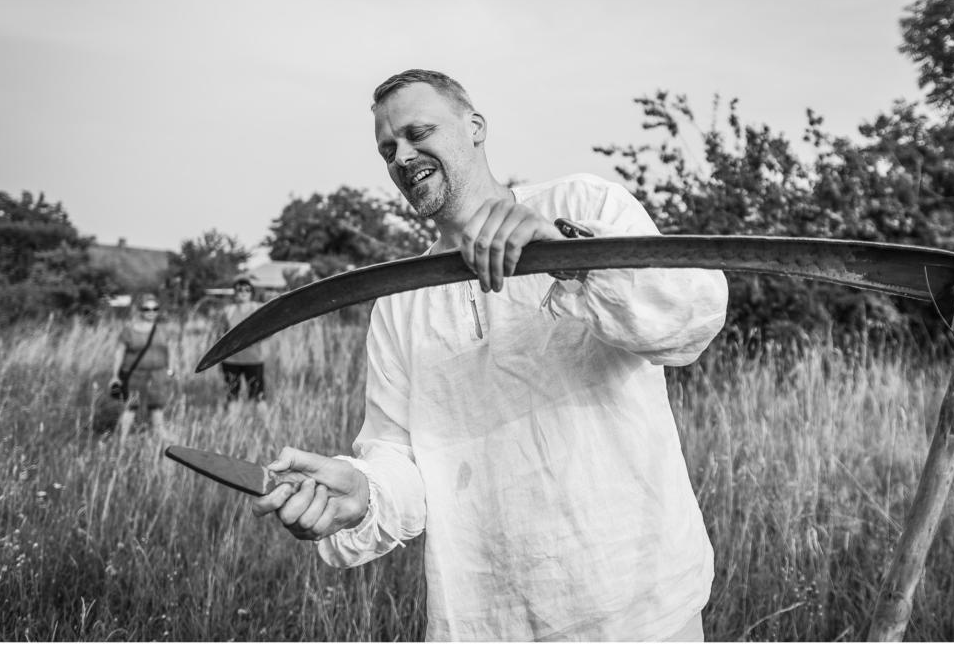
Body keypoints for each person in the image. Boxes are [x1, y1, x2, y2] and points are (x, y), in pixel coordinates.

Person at [250, 69, 728, 641]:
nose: (402, 156)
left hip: (639, 604)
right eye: (387, 149)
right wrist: (363, 491)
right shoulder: (399, 301)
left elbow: (691, 318)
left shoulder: (581, 204)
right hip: (486, 619)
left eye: (417, 133)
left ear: (475, 127)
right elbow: (400, 456)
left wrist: (573, 257)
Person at [108, 293, 174, 438]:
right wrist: (115, 375)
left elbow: (170, 350)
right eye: (147, 309)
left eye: (155, 309)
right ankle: (121, 440)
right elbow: (119, 353)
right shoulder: (129, 331)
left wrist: (170, 370)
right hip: (134, 375)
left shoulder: (163, 330)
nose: (151, 312)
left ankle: (160, 434)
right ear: (140, 310)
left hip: (158, 374)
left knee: (157, 406)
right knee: (131, 407)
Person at [216, 277, 267, 404]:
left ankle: (263, 418)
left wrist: (255, 339)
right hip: (231, 360)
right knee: (232, 396)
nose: (243, 292)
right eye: (239, 289)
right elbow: (220, 335)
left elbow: (268, 331)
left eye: (247, 289)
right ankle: (233, 417)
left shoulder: (259, 309)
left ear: (252, 292)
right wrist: (218, 358)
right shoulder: (228, 311)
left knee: (258, 396)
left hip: (254, 359)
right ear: (235, 292)